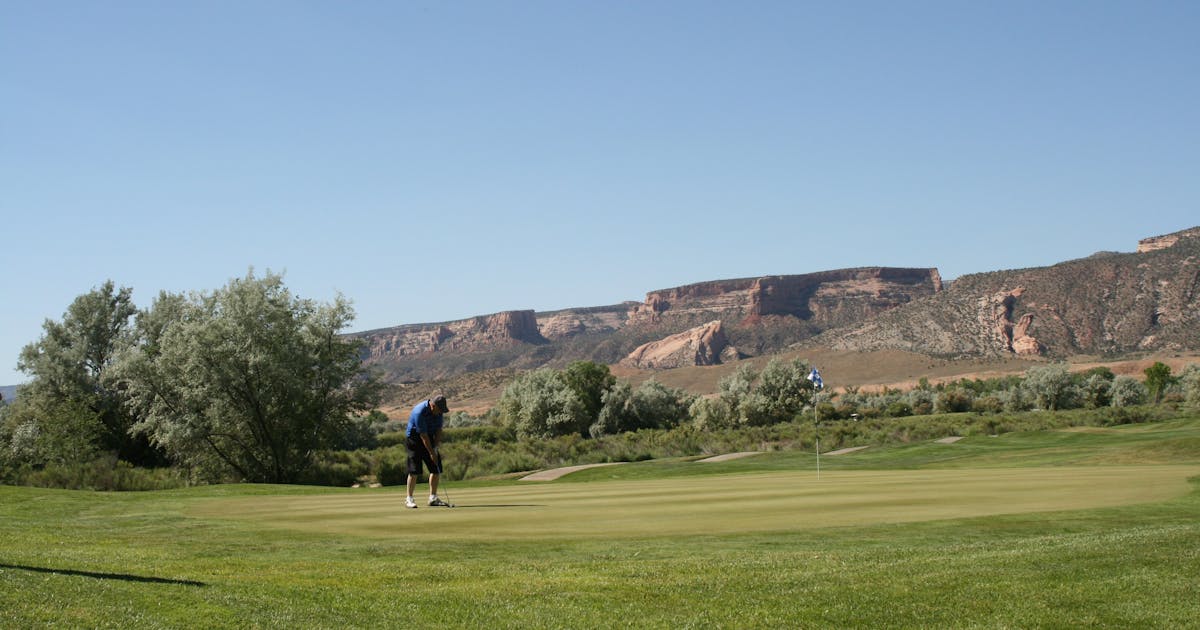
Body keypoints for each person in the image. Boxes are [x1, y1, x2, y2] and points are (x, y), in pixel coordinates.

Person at [405, 395, 450, 508]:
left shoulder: (439, 412)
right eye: (439, 410)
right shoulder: (419, 412)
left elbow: (439, 430)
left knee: (436, 468)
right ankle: (409, 499)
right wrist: (431, 452)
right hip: (414, 438)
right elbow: (423, 435)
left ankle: (433, 498)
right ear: (432, 405)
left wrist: (435, 448)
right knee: (414, 470)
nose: (440, 413)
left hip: (428, 436)